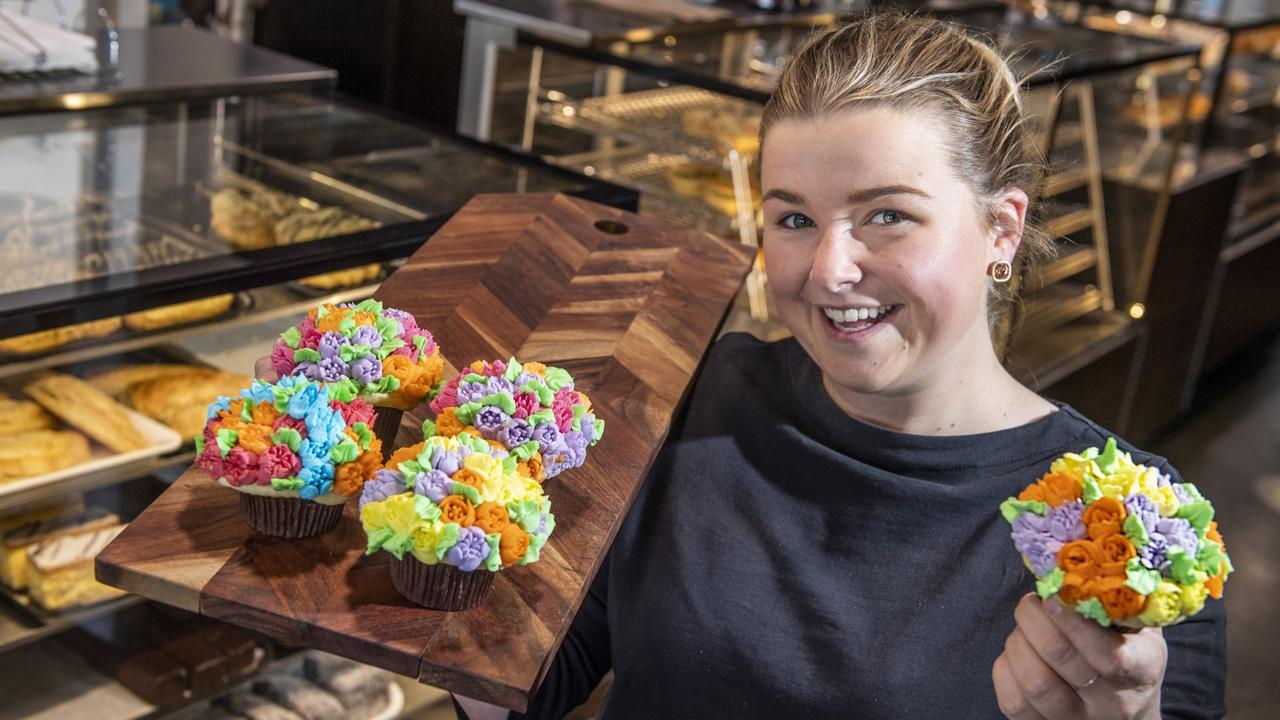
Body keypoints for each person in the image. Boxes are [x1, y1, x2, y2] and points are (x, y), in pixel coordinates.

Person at [449, 13, 1225, 720]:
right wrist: (455, 544)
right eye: (794, 218)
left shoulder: (1134, 529)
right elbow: (543, 679)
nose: (829, 270)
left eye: (888, 215)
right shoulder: (700, 389)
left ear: (1002, 230)